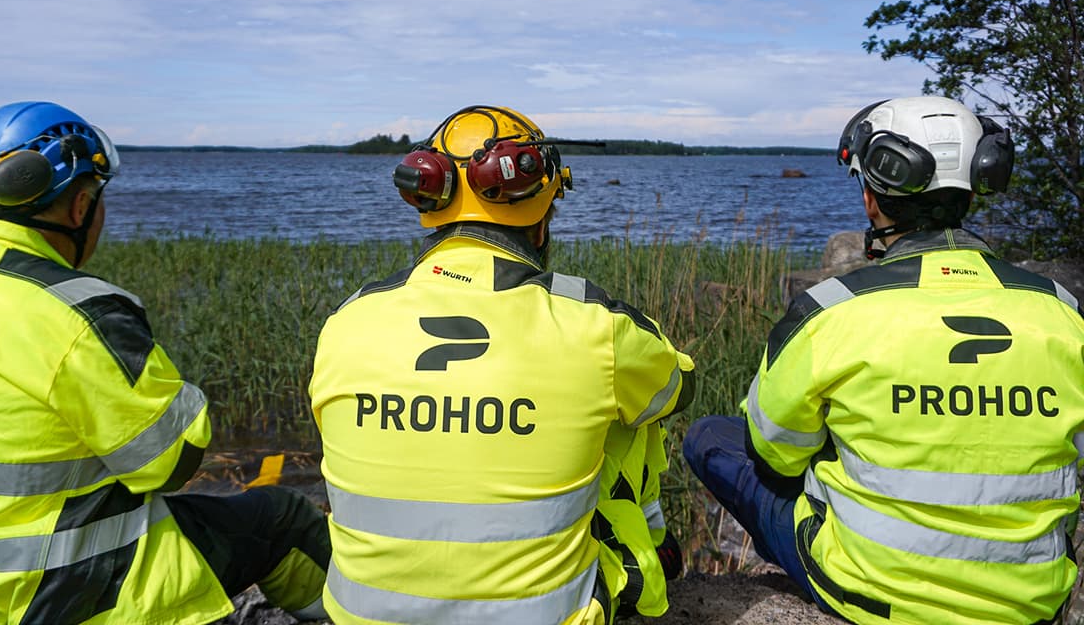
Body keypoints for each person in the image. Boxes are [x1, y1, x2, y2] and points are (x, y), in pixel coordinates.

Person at [0, 102, 329, 625]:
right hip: (41, 595)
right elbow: (173, 460)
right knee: (280, 518)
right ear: (79, 207)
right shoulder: (76, 310)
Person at [683, 96, 1084, 624]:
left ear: (873, 200)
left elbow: (774, 452)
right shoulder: (1062, 311)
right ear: (975, 188)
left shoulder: (830, 311)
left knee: (711, 437)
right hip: (1033, 598)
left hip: (871, 593)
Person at [309, 104, 696, 624]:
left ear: (428, 204)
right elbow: (678, 388)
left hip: (358, 617)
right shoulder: (595, 327)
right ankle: (646, 551)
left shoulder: (345, 323)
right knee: (634, 416)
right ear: (541, 218)